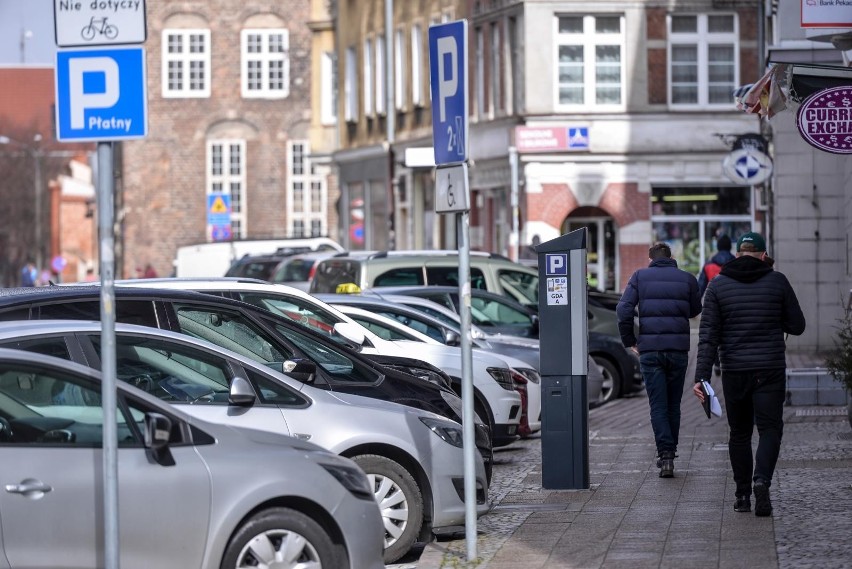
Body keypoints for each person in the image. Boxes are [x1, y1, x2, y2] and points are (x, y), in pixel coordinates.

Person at [692, 232, 805, 517]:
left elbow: (707, 337)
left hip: (734, 370)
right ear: (764, 254)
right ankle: (762, 480)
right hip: (769, 368)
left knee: (739, 433)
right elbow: (798, 325)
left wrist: (701, 378)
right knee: (770, 429)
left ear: (738, 254)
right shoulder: (777, 281)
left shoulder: (717, 285)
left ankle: (742, 495)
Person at [616, 242, 701, 478]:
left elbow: (623, 311)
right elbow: (695, 310)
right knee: (674, 404)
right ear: (671, 257)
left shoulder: (639, 277)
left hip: (650, 351)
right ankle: (670, 452)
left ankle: (665, 455)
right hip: (678, 351)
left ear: (650, 258)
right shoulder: (687, 279)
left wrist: (629, 340)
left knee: (658, 405)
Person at [698, 235, 736, 375]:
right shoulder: (736, 263)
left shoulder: (709, 265)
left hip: (714, 305)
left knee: (713, 334)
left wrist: (695, 307)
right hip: (732, 304)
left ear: (718, 247)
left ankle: (716, 362)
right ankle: (729, 360)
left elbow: (700, 287)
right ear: (729, 247)